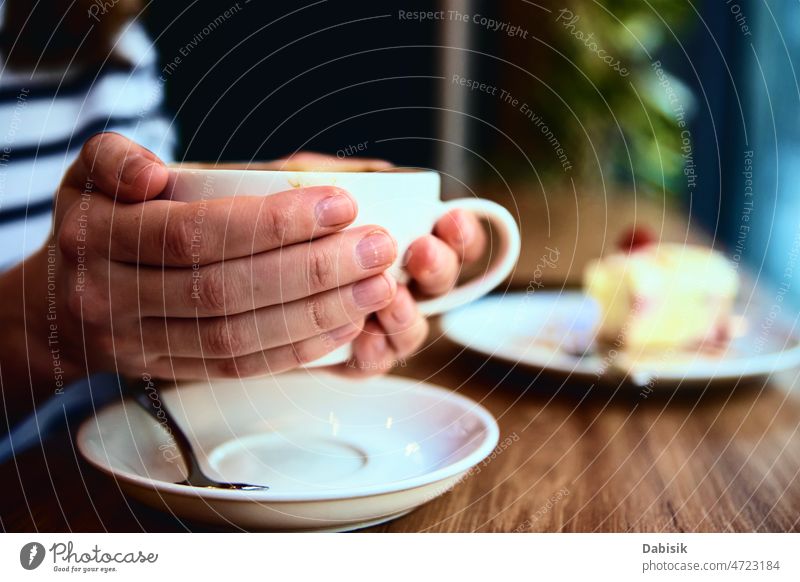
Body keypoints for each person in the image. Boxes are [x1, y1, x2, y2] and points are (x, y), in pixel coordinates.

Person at [0, 2, 487, 444]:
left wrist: (280, 320)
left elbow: (157, 234)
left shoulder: (108, 36)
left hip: (163, 444)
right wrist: (34, 330)